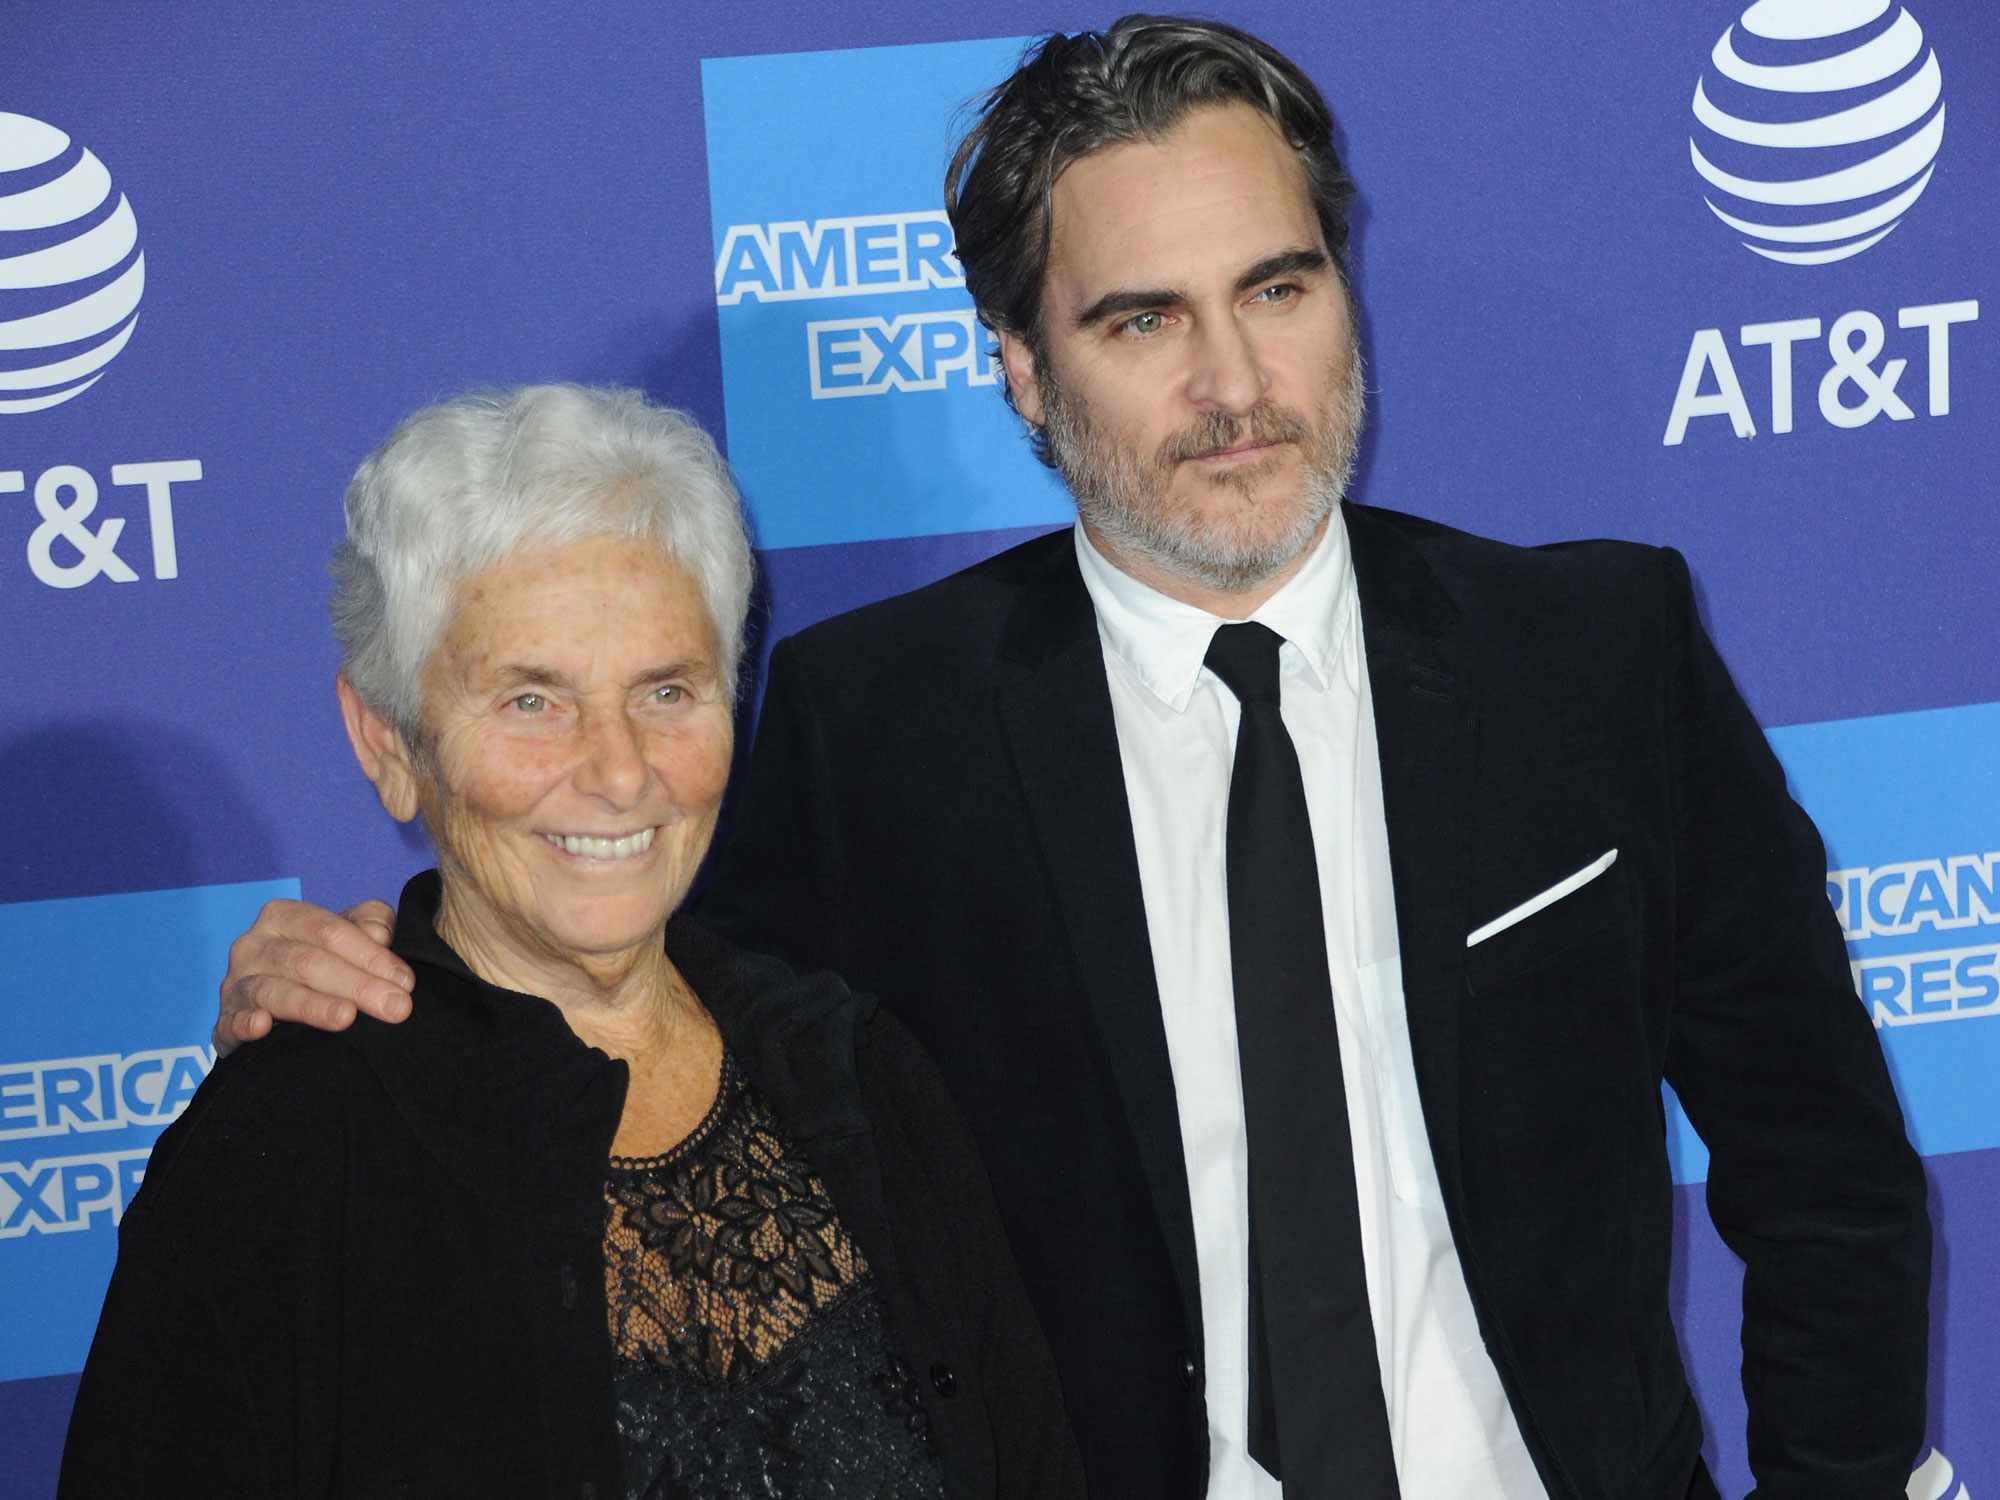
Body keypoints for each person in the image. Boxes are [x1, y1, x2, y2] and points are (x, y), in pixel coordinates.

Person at [210, 18, 1931, 1500]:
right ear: (1025, 372)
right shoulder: (872, 728)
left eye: (1279, 287)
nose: (1237, 382)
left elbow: (1826, 1171)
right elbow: (625, 1032)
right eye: (1141, 322)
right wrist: (375, 1006)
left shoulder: (1592, 658)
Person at [62, 385, 1082, 1499]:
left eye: (665, 689)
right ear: (390, 738)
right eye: (532, 700)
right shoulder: (283, 1159)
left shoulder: (861, 1074)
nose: (616, 769)